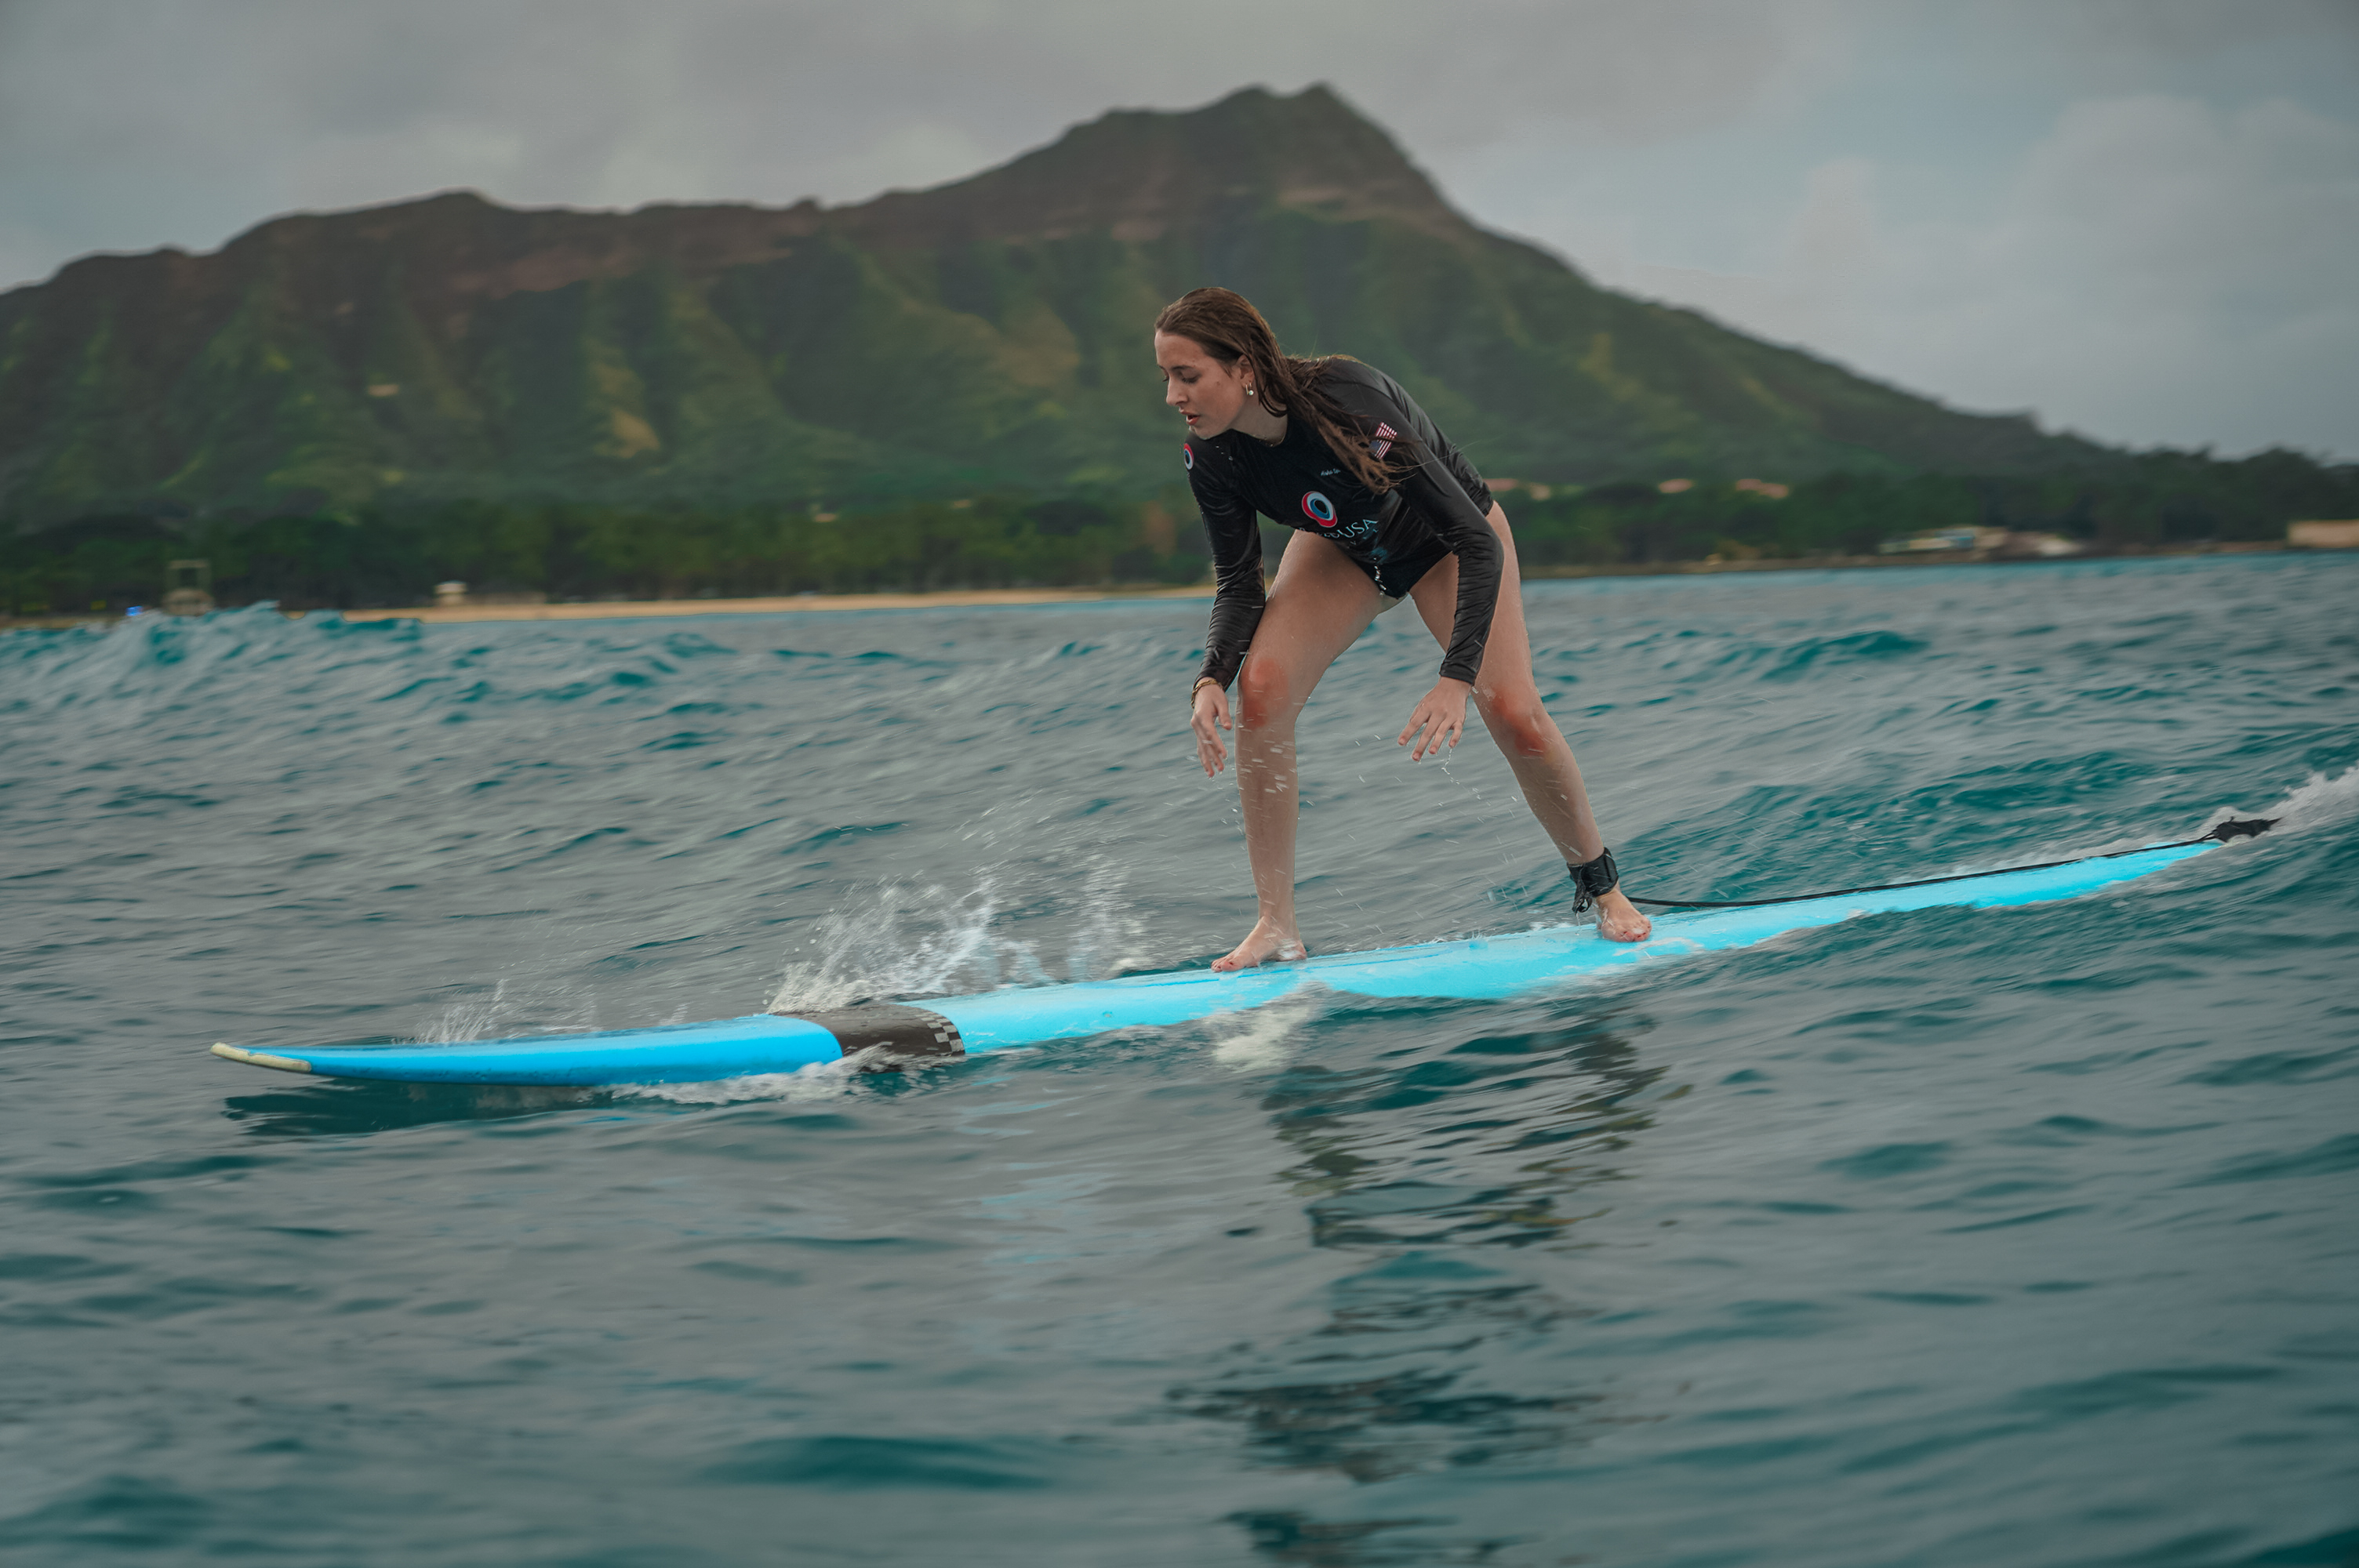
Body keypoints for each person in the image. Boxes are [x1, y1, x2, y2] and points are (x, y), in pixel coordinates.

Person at [1155, 286, 1652, 971]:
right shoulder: (1211, 455)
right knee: (1262, 689)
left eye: (1188, 376)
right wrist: (1212, 675)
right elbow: (1240, 583)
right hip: (1344, 546)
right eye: (1167, 378)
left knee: (1512, 711)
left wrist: (1455, 678)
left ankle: (1605, 891)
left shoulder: (1347, 403)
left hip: (1447, 542)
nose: (1174, 396)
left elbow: (1477, 542)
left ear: (1243, 368)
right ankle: (1275, 925)